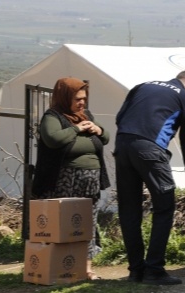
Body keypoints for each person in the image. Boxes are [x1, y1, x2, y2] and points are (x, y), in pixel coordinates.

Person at [113, 70, 185, 285]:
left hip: (123, 144)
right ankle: (154, 269)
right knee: (164, 206)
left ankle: (136, 271)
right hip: (150, 150)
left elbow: (119, 118)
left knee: (129, 209)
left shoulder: (142, 85)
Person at [31, 77, 111, 281]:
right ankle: (60, 266)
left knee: (87, 224)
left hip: (90, 179)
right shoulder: (53, 116)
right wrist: (77, 129)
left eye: (84, 98)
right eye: (77, 99)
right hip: (65, 178)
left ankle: (86, 268)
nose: (82, 103)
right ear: (65, 97)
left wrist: (98, 130)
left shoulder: (86, 115)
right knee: (64, 224)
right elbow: (53, 139)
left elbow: (107, 136)